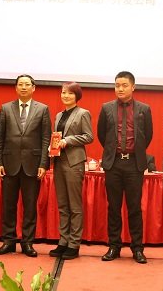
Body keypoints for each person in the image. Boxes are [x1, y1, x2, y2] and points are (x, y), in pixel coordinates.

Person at [0, 74, 52, 257]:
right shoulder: (6, 108)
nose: (24, 87)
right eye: (20, 84)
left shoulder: (42, 109)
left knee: (30, 206)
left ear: (33, 88)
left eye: (27, 84)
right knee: (8, 206)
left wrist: (44, 163)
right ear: (16, 88)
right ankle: (8, 241)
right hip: (9, 163)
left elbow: (45, 138)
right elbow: (0, 138)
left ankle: (27, 242)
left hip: (33, 164)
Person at [97, 71, 153, 264]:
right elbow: (102, 135)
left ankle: (137, 248)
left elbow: (147, 136)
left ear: (133, 87)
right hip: (113, 163)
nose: (120, 89)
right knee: (113, 207)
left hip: (134, 164)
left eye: (124, 85)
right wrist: (113, 151)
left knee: (134, 208)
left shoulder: (144, 109)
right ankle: (114, 246)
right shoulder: (106, 108)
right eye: (117, 85)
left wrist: (134, 152)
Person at [48, 82, 93, 260]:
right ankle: (63, 241)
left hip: (74, 162)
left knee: (74, 205)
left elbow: (88, 136)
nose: (65, 96)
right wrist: (52, 147)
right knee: (63, 205)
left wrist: (68, 140)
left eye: (70, 93)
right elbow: (56, 137)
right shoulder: (59, 115)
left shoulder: (83, 113)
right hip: (59, 162)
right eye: (63, 92)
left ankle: (74, 244)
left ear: (77, 96)